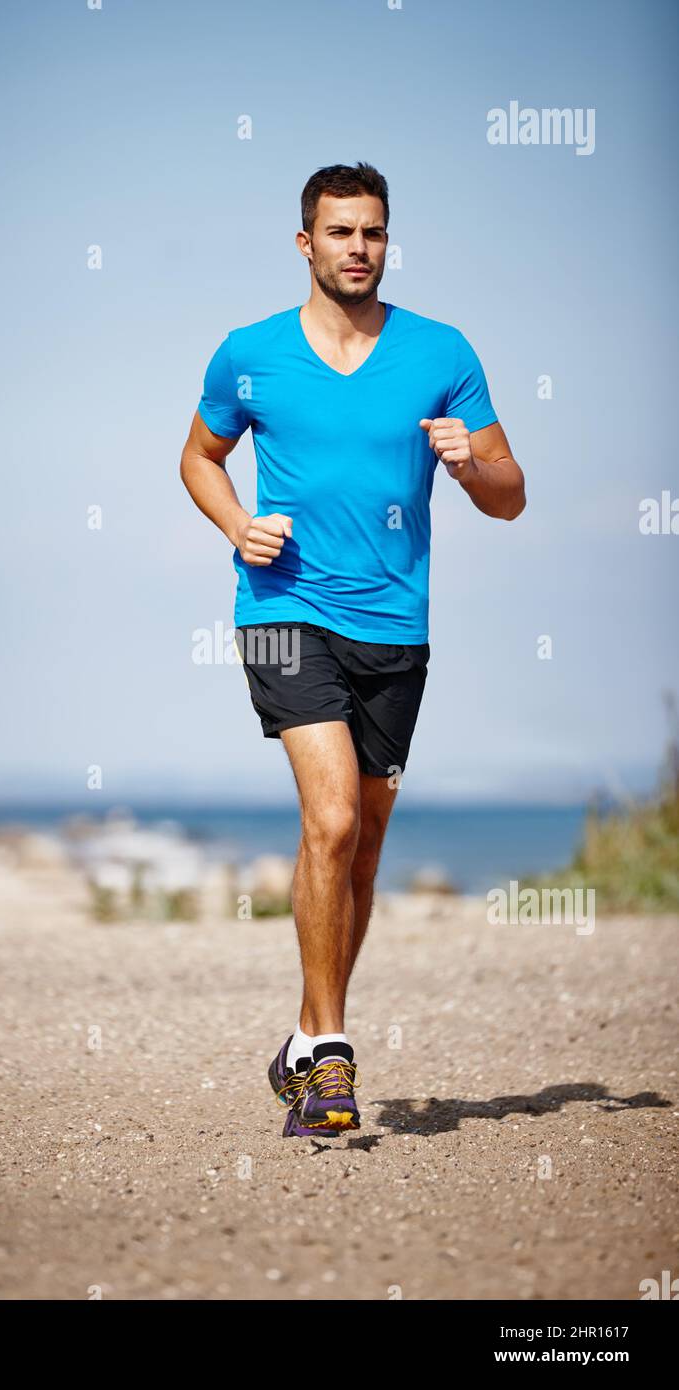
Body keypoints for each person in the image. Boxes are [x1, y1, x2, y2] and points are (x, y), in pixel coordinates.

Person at [179, 161, 526, 1137]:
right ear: (305, 243)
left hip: (394, 624)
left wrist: (470, 465)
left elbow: (510, 493)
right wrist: (235, 525)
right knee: (329, 820)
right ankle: (333, 1058)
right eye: (339, 232)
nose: (357, 249)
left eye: (371, 232)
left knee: (363, 847)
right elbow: (197, 458)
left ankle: (298, 1039)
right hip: (283, 609)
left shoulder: (439, 352)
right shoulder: (248, 354)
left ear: (386, 240)